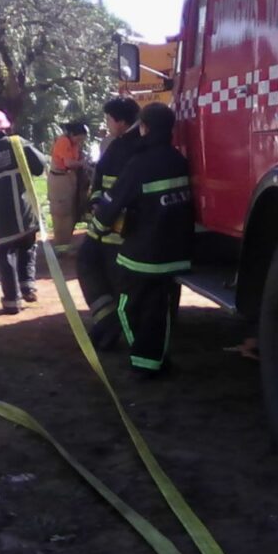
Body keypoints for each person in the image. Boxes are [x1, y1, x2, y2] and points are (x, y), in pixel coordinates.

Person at [90, 103, 194, 378]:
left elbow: (112, 204)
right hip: (174, 255)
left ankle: (144, 361)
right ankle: (155, 361)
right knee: (159, 309)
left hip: (142, 255)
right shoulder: (179, 161)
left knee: (128, 305)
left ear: (145, 127)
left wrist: (96, 230)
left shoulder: (139, 163)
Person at [78, 96, 142, 350]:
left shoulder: (133, 146)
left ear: (121, 122)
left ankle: (111, 325)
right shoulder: (119, 144)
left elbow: (121, 190)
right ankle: (108, 322)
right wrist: (95, 201)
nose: (107, 124)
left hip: (119, 229)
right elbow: (100, 178)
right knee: (90, 263)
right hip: (107, 222)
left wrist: (102, 211)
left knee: (99, 269)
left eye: (108, 119)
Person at [0, 107, 47, 314]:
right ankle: (28, 286)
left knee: (5, 256)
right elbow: (40, 166)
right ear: (5, 127)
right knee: (27, 247)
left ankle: (12, 302)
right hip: (22, 213)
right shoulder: (16, 143)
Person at [49, 122, 89, 250]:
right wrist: (83, 163)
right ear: (72, 134)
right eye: (80, 138)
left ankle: (65, 244)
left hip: (69, 178)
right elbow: (69, 163)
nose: (81, 141)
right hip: (59, 178)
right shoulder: (63, 141)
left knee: (71, 211)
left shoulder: (75, 144)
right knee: (61, 213)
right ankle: (60, 245)